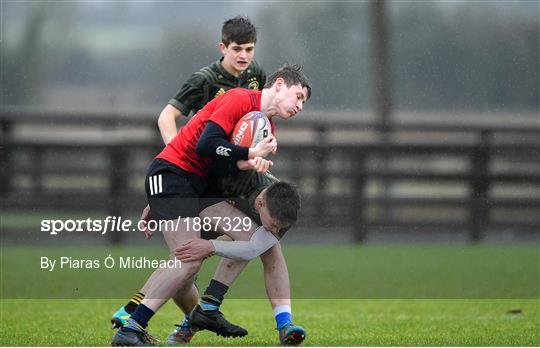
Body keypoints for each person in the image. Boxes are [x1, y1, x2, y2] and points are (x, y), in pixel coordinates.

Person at [110, 16, 306, 346]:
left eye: (304, 102)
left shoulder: (266, 127)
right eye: (299, 96)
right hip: (173, 176)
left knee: (256, 236)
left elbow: (221, 158)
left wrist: (246, 160)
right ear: (279, 84)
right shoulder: (237, 98)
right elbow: (203, 144)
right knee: (188, 262)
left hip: (199, 185)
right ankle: (131, 326)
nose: (300, 106)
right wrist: (246, 151)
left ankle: (203, 310)